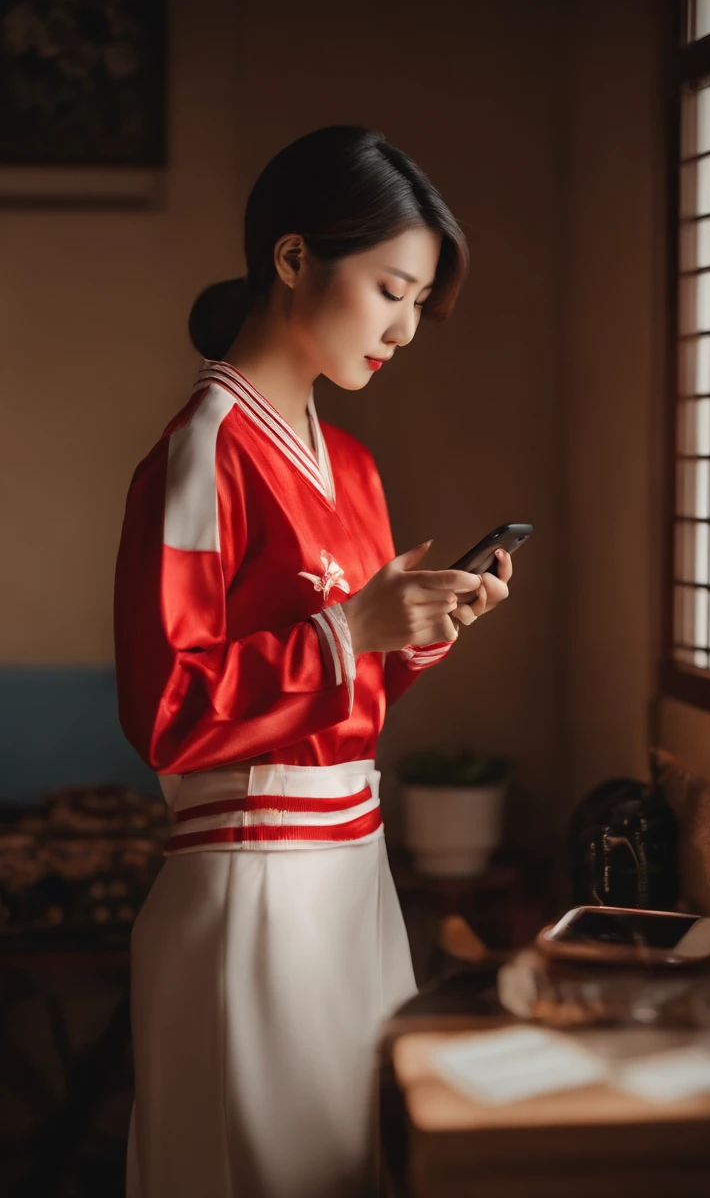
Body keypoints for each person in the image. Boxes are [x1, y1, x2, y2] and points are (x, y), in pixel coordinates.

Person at [115, 124, 512, 1198]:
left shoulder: (350, 462)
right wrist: (348, 631)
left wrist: (418, 627)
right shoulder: (206, 446)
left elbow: (349, 693)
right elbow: (171, 708)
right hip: (251, 884)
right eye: (392, 289)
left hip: (352, 872)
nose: (406, 327)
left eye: (420, 304)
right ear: (293, 259)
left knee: (357, 1167)